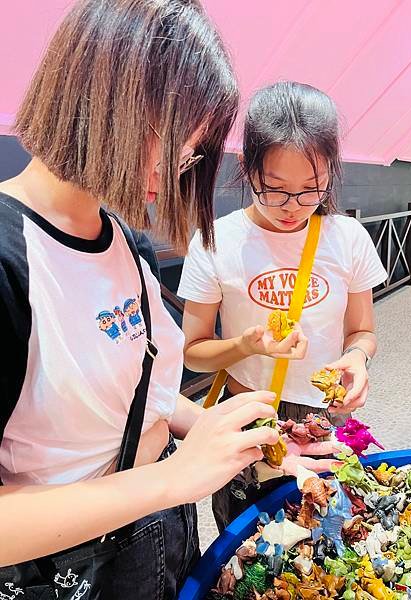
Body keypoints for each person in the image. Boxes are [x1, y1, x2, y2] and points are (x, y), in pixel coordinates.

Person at [0, 1, 281, 596]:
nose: (184, 166)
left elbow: (142, 393)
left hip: (155, 539)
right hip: (66, 571)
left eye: (196, 151)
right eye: (183, 142)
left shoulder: (125, 240)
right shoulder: (10, 256)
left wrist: (234, 437)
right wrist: (176, 477)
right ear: (114, 99)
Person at [178, 81, 388, 530]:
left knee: (325, 530)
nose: (294, 207)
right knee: (245, 536)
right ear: (247, 168)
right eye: (274, 188)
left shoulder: (347, 239)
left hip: (324, 418)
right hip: (248, 411)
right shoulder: (217, 240)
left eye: (312, 188)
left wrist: (356, 357)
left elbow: (362, 332)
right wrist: (246, 345)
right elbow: (193, 349)